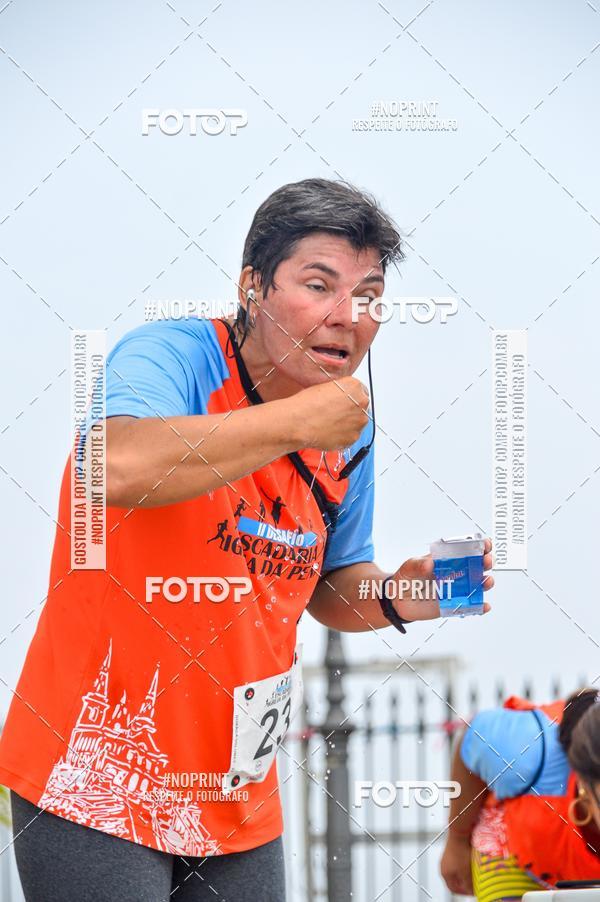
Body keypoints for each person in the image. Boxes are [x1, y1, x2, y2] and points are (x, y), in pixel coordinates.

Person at [0, 177, 494, 901]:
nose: (345, 316)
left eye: (367, 296)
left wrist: (402, 594)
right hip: (96, 773)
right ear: (254, 286)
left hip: (237, 796)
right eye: (319, 285)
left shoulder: (344, 431)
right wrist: (297, 423)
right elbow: (112, 466)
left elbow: (332, 585)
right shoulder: (173, 356)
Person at [441, 688, 600, 899]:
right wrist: (457, 841)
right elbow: (472, 738)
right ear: (585, 792)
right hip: (514, 848)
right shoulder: (528, 751)